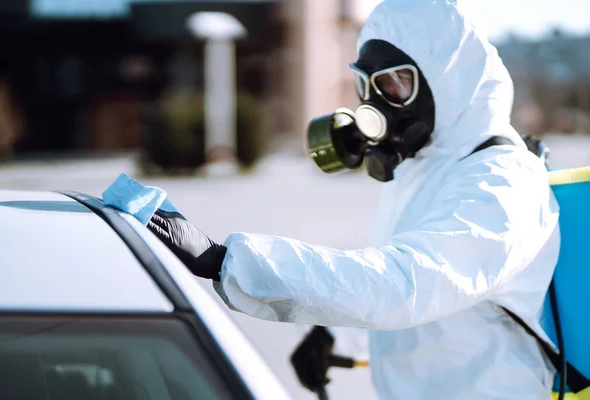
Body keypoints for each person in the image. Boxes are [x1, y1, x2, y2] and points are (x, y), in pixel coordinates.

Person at [147, 0, 560, 398]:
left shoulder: (500, 182)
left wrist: (227, 261)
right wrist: (337, 334)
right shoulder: (426, 165)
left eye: (395, 84)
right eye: (366, 85)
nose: (376, 104)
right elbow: (410, 292)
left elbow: (408, 283)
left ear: (451, 78)